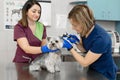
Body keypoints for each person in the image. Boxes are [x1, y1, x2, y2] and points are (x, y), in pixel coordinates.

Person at [62, 5, 118, 80]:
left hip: (105, 75)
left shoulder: (101, 38)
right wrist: (76, 42)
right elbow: (85, 50)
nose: (72, 28)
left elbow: (85, 62)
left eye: (74, 25)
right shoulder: (84, 32)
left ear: (83, 23)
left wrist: (70, 48)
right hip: (93, 71)